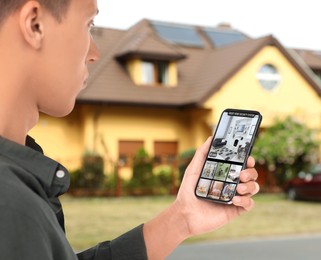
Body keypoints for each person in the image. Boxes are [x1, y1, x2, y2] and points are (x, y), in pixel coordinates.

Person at [0, 0, 260, 259]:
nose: (95, 53)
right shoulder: (10, 205)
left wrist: (183, 218)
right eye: (88, 24)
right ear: (34, 24)